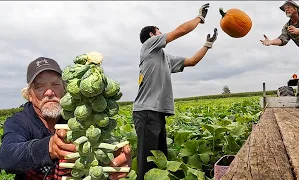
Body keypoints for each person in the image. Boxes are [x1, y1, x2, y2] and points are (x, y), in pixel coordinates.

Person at [0, 57, 131, 180]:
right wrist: (48, 148)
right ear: (29, 95)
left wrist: (114, 162)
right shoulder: (19, 122)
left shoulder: (80, 120)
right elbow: (7, 156)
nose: (49, 92)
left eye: (55, 84)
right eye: (39, 87)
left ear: (65, 89)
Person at [132, 3, 218, 179]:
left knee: (160, 160)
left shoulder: (166, 58)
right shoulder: (149, 46)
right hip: (146, 112)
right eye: (159, 31)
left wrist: (207, 44)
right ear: (152, 35)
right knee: (147, 165)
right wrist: (199, 18)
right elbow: (180, 31)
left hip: (157, 113)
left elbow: (192, 61)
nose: (161, 34)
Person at [260, 0, 299, 108]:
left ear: (296, 9)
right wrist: (271, 42)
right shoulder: (286, 27)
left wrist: (297, 30)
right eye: (284, 8)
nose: (286, 9)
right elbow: (283, 40)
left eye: (288, 7)